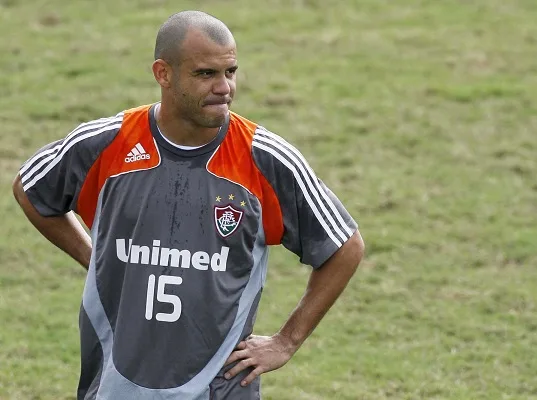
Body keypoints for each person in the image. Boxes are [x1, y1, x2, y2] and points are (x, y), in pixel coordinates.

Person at [12, 10, 364, 400]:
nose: (224, 87)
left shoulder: (264, 159)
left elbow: (344, 247)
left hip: (220, 386)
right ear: (163, 73)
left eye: (230, 71)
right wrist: (94, 257)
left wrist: (286, 341)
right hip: (115, 384)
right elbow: (31, 189)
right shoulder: (108, 145)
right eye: (205, 74)